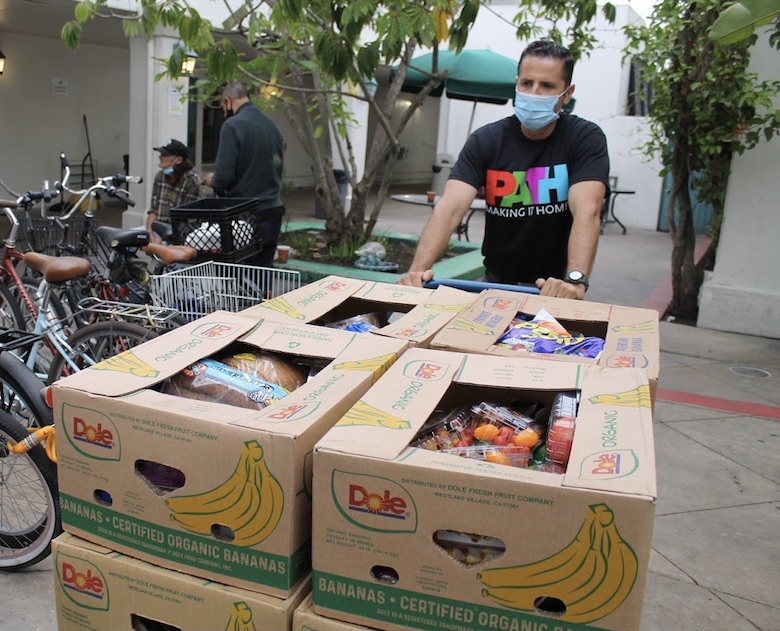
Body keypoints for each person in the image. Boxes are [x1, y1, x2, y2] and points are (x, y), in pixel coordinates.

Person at [398, 40, 610, 299]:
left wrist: (575, 281)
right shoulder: (486, 140)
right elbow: (450, 207)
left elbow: (587, 211)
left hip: (555, 289)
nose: (534, 93)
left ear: (567, 93)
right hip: (495, 284)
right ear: (516, 83)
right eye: (527, 83)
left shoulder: (584, 139)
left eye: (547, 86)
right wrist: (416, 274)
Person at [202, 81, 285, 268]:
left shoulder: (232, 126)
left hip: (244, 214)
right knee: (263, 272)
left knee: (241, 275)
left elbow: (224, 177)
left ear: (227, 100)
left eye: (223, 107)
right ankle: (265, 298)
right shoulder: (272, 125)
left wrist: (211, 180)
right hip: (272, 210)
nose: (224, 112)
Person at [146, 139, 201, 244]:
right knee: (130, 239)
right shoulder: (160, 176)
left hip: (180, 232)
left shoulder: (191, 180)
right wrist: (149, 231)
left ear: (178, 160)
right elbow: (153, 210)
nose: (160, 157)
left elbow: (185, 219)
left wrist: (162, 237)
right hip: (158, 226)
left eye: (165, 155)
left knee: (162, 247)